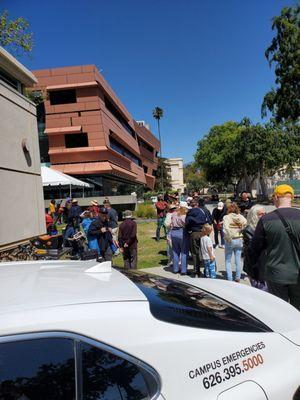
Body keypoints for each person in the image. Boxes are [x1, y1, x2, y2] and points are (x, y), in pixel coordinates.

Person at [250, 184, 300, 310]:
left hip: (275, 275)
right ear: (291, 198)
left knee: (279, 311)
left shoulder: (266, 219)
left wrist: (254, 272)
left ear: (276, 197)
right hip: (298, 274)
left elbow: (255, 249)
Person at [242, 205, 267, 291]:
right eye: (261, 214)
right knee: (262, 291)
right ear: (254, 215)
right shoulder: (249, 230)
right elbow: (256, 246)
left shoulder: (264, 226)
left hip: (264, 266)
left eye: (265, 213)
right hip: (256, 267)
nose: (264, 215)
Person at [223, 202, 247, 282]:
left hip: (230, 239)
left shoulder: (226, 217)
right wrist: (241, 229)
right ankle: (237, 277)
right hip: (239, 239)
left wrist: (228, 237)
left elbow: (226, 229)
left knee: (228, 260)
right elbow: (246, 223)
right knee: (238, 260)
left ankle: (230, 278)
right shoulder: (241, 217)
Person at [185, 199, 208, 277]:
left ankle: (196, 270)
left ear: (191, 205)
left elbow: (187, 222)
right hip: (203, 232)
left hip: (194, 232)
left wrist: (189, 231)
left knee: (195, 253)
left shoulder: (190, 212)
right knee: (205, 251)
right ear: (197, 204)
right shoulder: (203, 211)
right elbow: (207, 220)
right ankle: (206, 270)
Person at [170, 202, 189, 275]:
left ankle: (175, 269)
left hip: (173, 232)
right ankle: (183, 270)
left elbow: (171, 223)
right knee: (184, 252)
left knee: (175, 251)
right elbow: (185, 224)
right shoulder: (184, 215)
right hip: (181, 232)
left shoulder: (174, 213)